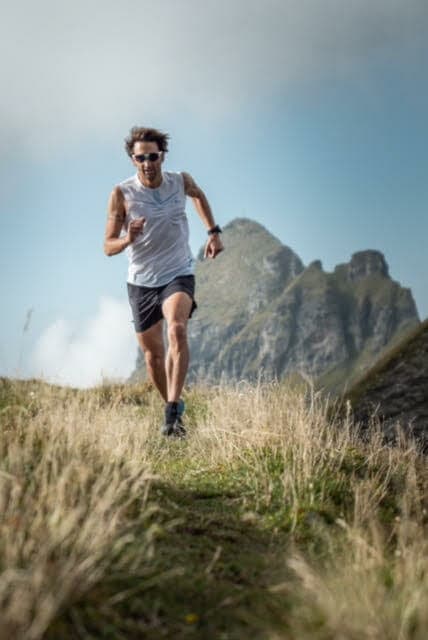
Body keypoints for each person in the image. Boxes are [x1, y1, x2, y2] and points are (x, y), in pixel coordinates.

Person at [104, 126, 223, 437]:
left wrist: (213, 232)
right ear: (133, 159)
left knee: (177, 327)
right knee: (152, 357)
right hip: (141, 281)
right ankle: (174, 411)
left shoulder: (179, 181)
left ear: (162, 156)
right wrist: (128, 238)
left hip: (178, 272)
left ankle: (171, 409)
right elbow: (107, 246)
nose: (147, 163)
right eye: (140, 157)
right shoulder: (122, 194)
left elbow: (198, 196)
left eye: (153, 156)